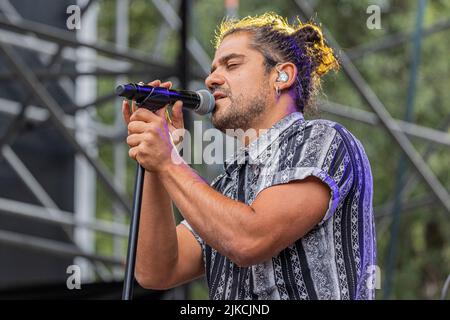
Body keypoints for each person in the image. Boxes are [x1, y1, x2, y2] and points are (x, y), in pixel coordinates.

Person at [122, 13, 376, 300]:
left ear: (281, 75)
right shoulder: (226, 186)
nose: (211, 79)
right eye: (213, 69)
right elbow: (156, 271)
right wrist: (155, 166)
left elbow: (249, 240)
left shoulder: (323, 139)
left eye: (231, 65)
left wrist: (169, 161)